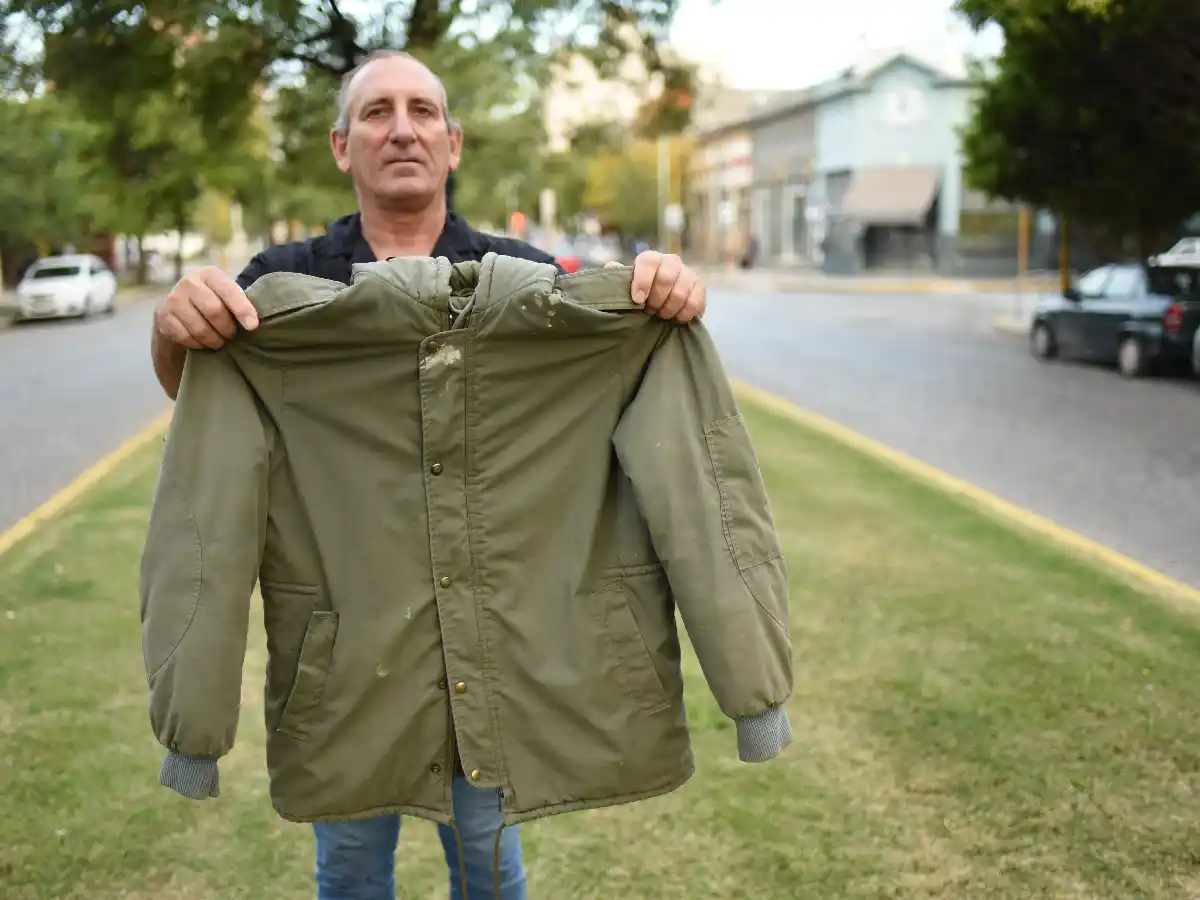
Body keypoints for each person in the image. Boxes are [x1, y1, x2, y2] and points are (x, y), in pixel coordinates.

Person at [148, 49, 710, 899]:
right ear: (342, 146)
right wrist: (172, 327)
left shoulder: (527, 278)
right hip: (349, 655)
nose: (401, 128)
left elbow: (618, 384)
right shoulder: (279, 285)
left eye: (421, 111)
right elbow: (206, 410)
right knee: (349, 872)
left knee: (490, 871)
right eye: (376, 113)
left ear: (453, 142)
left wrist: (660, 291)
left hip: (495, 652)